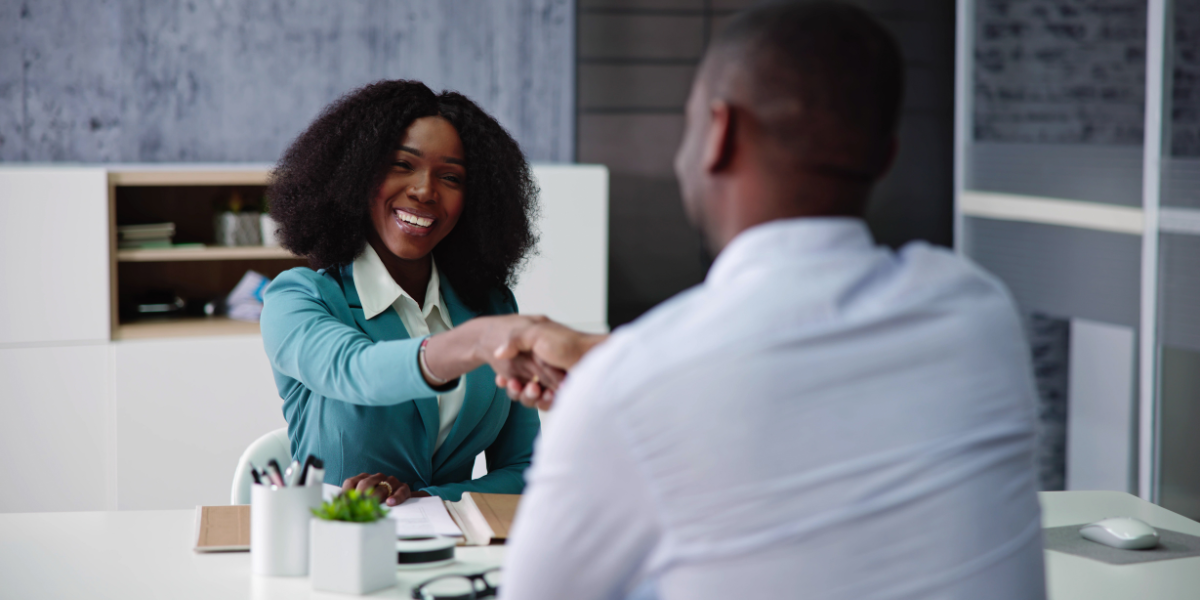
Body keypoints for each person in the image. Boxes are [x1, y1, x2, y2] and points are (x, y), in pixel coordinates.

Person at [499, 3, 1046, 599]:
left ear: (719, 132)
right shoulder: (978, 312)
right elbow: (808, 360)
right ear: (885, 158)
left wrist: (607, 377)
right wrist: (598, 358)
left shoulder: (626, 394)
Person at [260, 80, 560, 504]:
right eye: (403, 165)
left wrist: (427, 498)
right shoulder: (298, 298)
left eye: (451, 177)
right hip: (338, 548)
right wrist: (474, 343)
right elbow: (355, 370)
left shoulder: (491, 306)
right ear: (358, 174)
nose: (424, 190)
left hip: (457, 559)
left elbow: (524, 471)